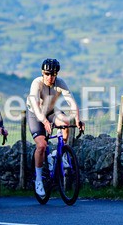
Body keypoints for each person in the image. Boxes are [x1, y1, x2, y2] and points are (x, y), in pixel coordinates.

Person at [26, 58, 85, 198]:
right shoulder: (37, 83)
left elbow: (71, 102)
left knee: (65, 123)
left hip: (51, 111)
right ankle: (39, 180)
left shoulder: (60, 83)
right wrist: (44, 121)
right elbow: (34, 104)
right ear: (42, 73)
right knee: (41, 145)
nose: (50, 77)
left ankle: (60, 153)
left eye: (53, 74)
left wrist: (77, 119)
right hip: (36, 114)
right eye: (47, 74)